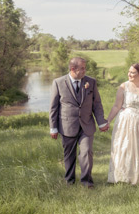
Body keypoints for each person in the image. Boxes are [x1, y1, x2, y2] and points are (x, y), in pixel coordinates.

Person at [49, 57, 109, 188]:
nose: (84, 70)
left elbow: (97, 104)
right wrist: (53, 127)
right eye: (82, 68)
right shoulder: (58, 82)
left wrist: (101, 122)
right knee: (69, 155)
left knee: (86, 152)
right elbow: (54, 107)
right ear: (73, 69)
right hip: (67, 126)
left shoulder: (91, 82)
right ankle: (69, 181)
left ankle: (87, 182)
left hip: (87, 125)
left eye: (84, 68)